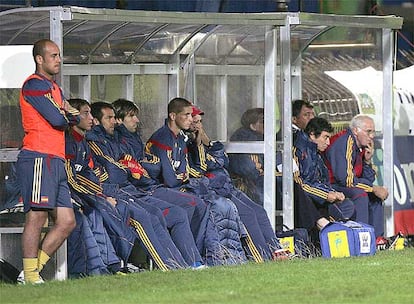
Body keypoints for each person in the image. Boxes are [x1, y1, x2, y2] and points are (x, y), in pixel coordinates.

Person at [65, 98, 189, 272]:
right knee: (143, 217)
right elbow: (109, 173)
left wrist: (127, 168)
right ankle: (166, 267)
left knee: (156, 214)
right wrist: (105, 189)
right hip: (109, 193)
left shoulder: (110, 139)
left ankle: (180, 264)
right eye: (109, 118)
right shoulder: (90, 141)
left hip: (123, 190)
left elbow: (134, 167)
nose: (114, 121)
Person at [145, 97, 247, 265]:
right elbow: (170, 180)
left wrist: (199, 141)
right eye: (186, 115)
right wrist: (184, 176)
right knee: (202, 205)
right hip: (158, 189)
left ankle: (225, 258)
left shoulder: (181, 139)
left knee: (223, 205)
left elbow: (199, 169)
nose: (191, 120)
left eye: (192, 116)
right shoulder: (163, 138)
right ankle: (201, 258)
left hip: (182, 186)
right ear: (172, 116)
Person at [187, 105, 289, 261]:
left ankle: (276, 251)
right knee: (247, 214)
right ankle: (263, 257)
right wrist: (200, 145)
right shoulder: (188, 144)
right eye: (194, 121)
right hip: (212, 189)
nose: (198, 125)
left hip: (224, 185)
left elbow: (223, 160)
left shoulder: (203, 141)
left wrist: (206, 140)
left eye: (200, 122)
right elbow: (202, 168)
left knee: (259, 211)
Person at [16, 39, 79, 284]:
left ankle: (30, 273)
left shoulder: (54, 88)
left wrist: (66, 113)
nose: (58, 60)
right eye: (53, 55)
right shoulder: (34, 85)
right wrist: (65, 114)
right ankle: (31, 276)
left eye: (59, 55)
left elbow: (71, 114)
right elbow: (58, 119)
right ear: (39, 59)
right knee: (37, 216)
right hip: (38, 157)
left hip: (56, 159)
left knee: (66, 221)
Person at [323, 114, 388, 242]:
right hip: (330, 186)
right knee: (361, 193)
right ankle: (361, 238)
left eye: (373, 132)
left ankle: (376, 239)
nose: (372, 136)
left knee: (374, 196)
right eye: (368, 131)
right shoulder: (346, 142)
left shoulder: (360, 147)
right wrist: (373, 188)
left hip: (343, 185)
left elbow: (367, 179)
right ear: (355, 131)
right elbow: (346, 180)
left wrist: (367, 161)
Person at [293, 117, 355, 228]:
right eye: (325, 137)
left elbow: (322, 181)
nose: (328, 142)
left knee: (347, 205)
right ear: (312, 135)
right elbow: (298, 184)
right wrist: (325, 195)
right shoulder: (296, 150)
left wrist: (332, 192)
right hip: (303, 199)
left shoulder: (316, 154)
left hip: (316, 196)